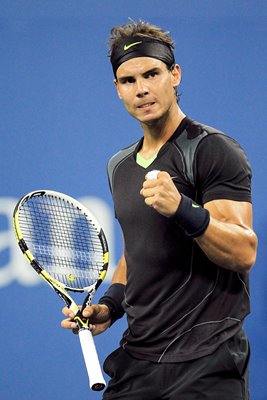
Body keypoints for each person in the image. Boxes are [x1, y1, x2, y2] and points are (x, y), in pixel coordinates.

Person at [61, 20, 258, 399]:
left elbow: (243, 251)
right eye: (129, 80)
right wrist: (109, 307)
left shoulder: (211, 150)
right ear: (117, 89)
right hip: (138, 360)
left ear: (175, 75)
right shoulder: (119, 165)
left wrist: (183, 208)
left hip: (207, 359)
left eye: (152, 73)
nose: (142, 89)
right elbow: (137, 251)